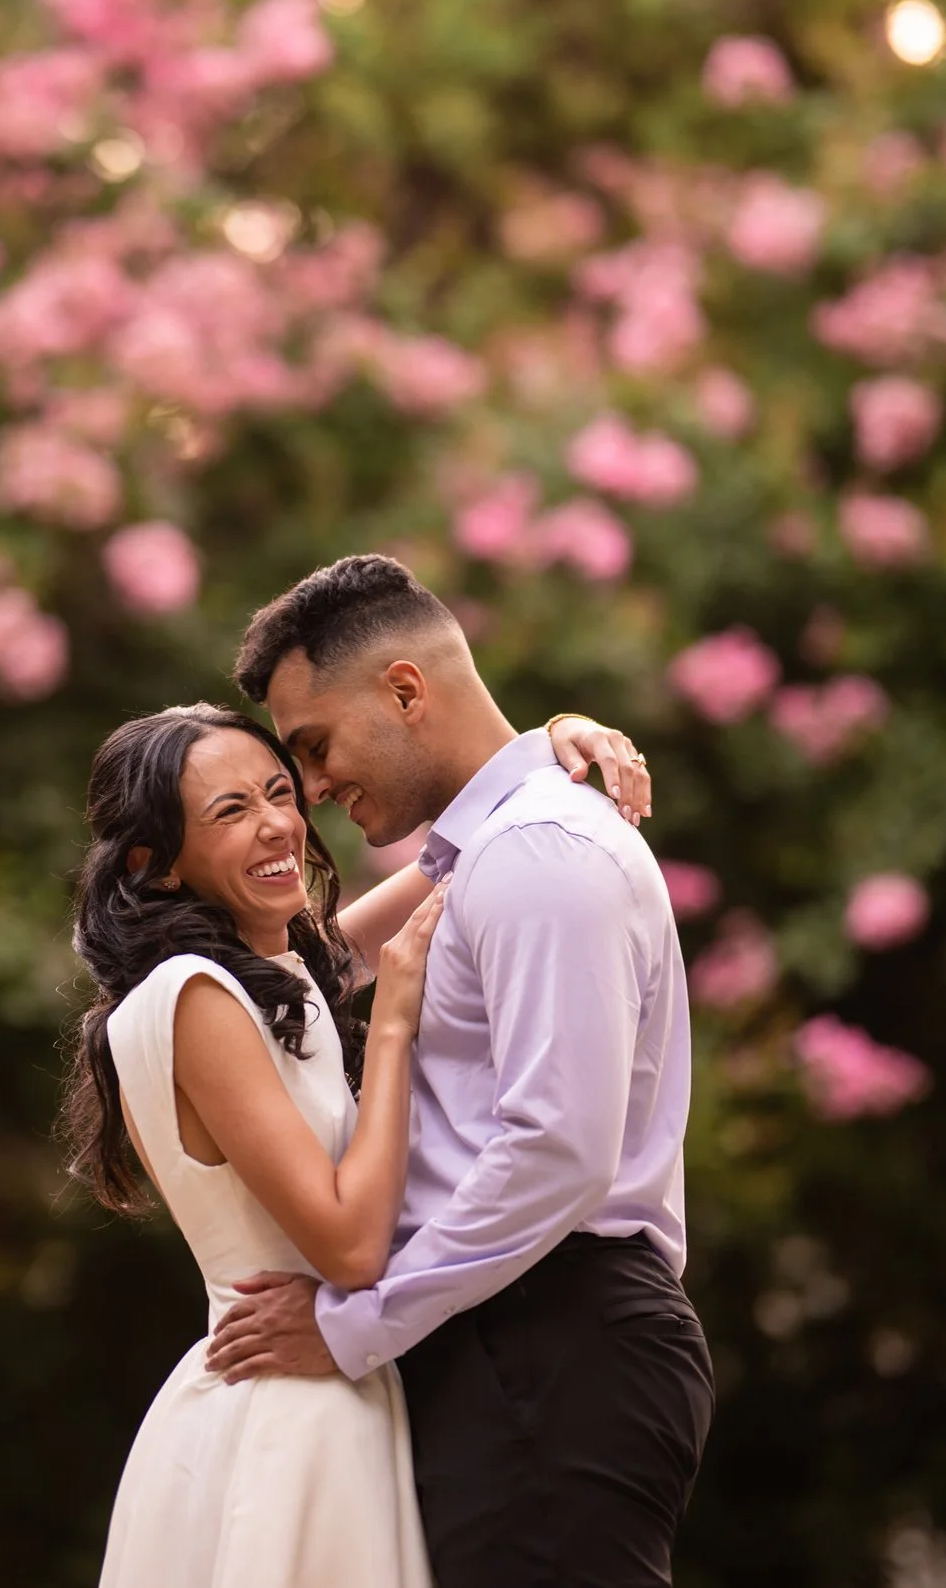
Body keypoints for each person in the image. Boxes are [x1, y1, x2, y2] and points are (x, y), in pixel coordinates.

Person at [201, 554, 711, 1588]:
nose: (311, 789)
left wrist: (352, 1325)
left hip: (549, 1341)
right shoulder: (483, 854)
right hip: (506, 1338)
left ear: (402, 689)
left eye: (312, 746)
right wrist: (543, 743)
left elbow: (555, 1152)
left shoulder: (538, 855)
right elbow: (308, 975)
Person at [62, 696, 653, 1588]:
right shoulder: (196, 996)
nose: (277, 826)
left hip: (309, 1390)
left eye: (277, 792)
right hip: (291, 1408)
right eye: (230, 812)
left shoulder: (254, 982)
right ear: (158, 864)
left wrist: (544, 750)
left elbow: (450, 867)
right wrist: (392, 1028)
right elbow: (347, 1244)